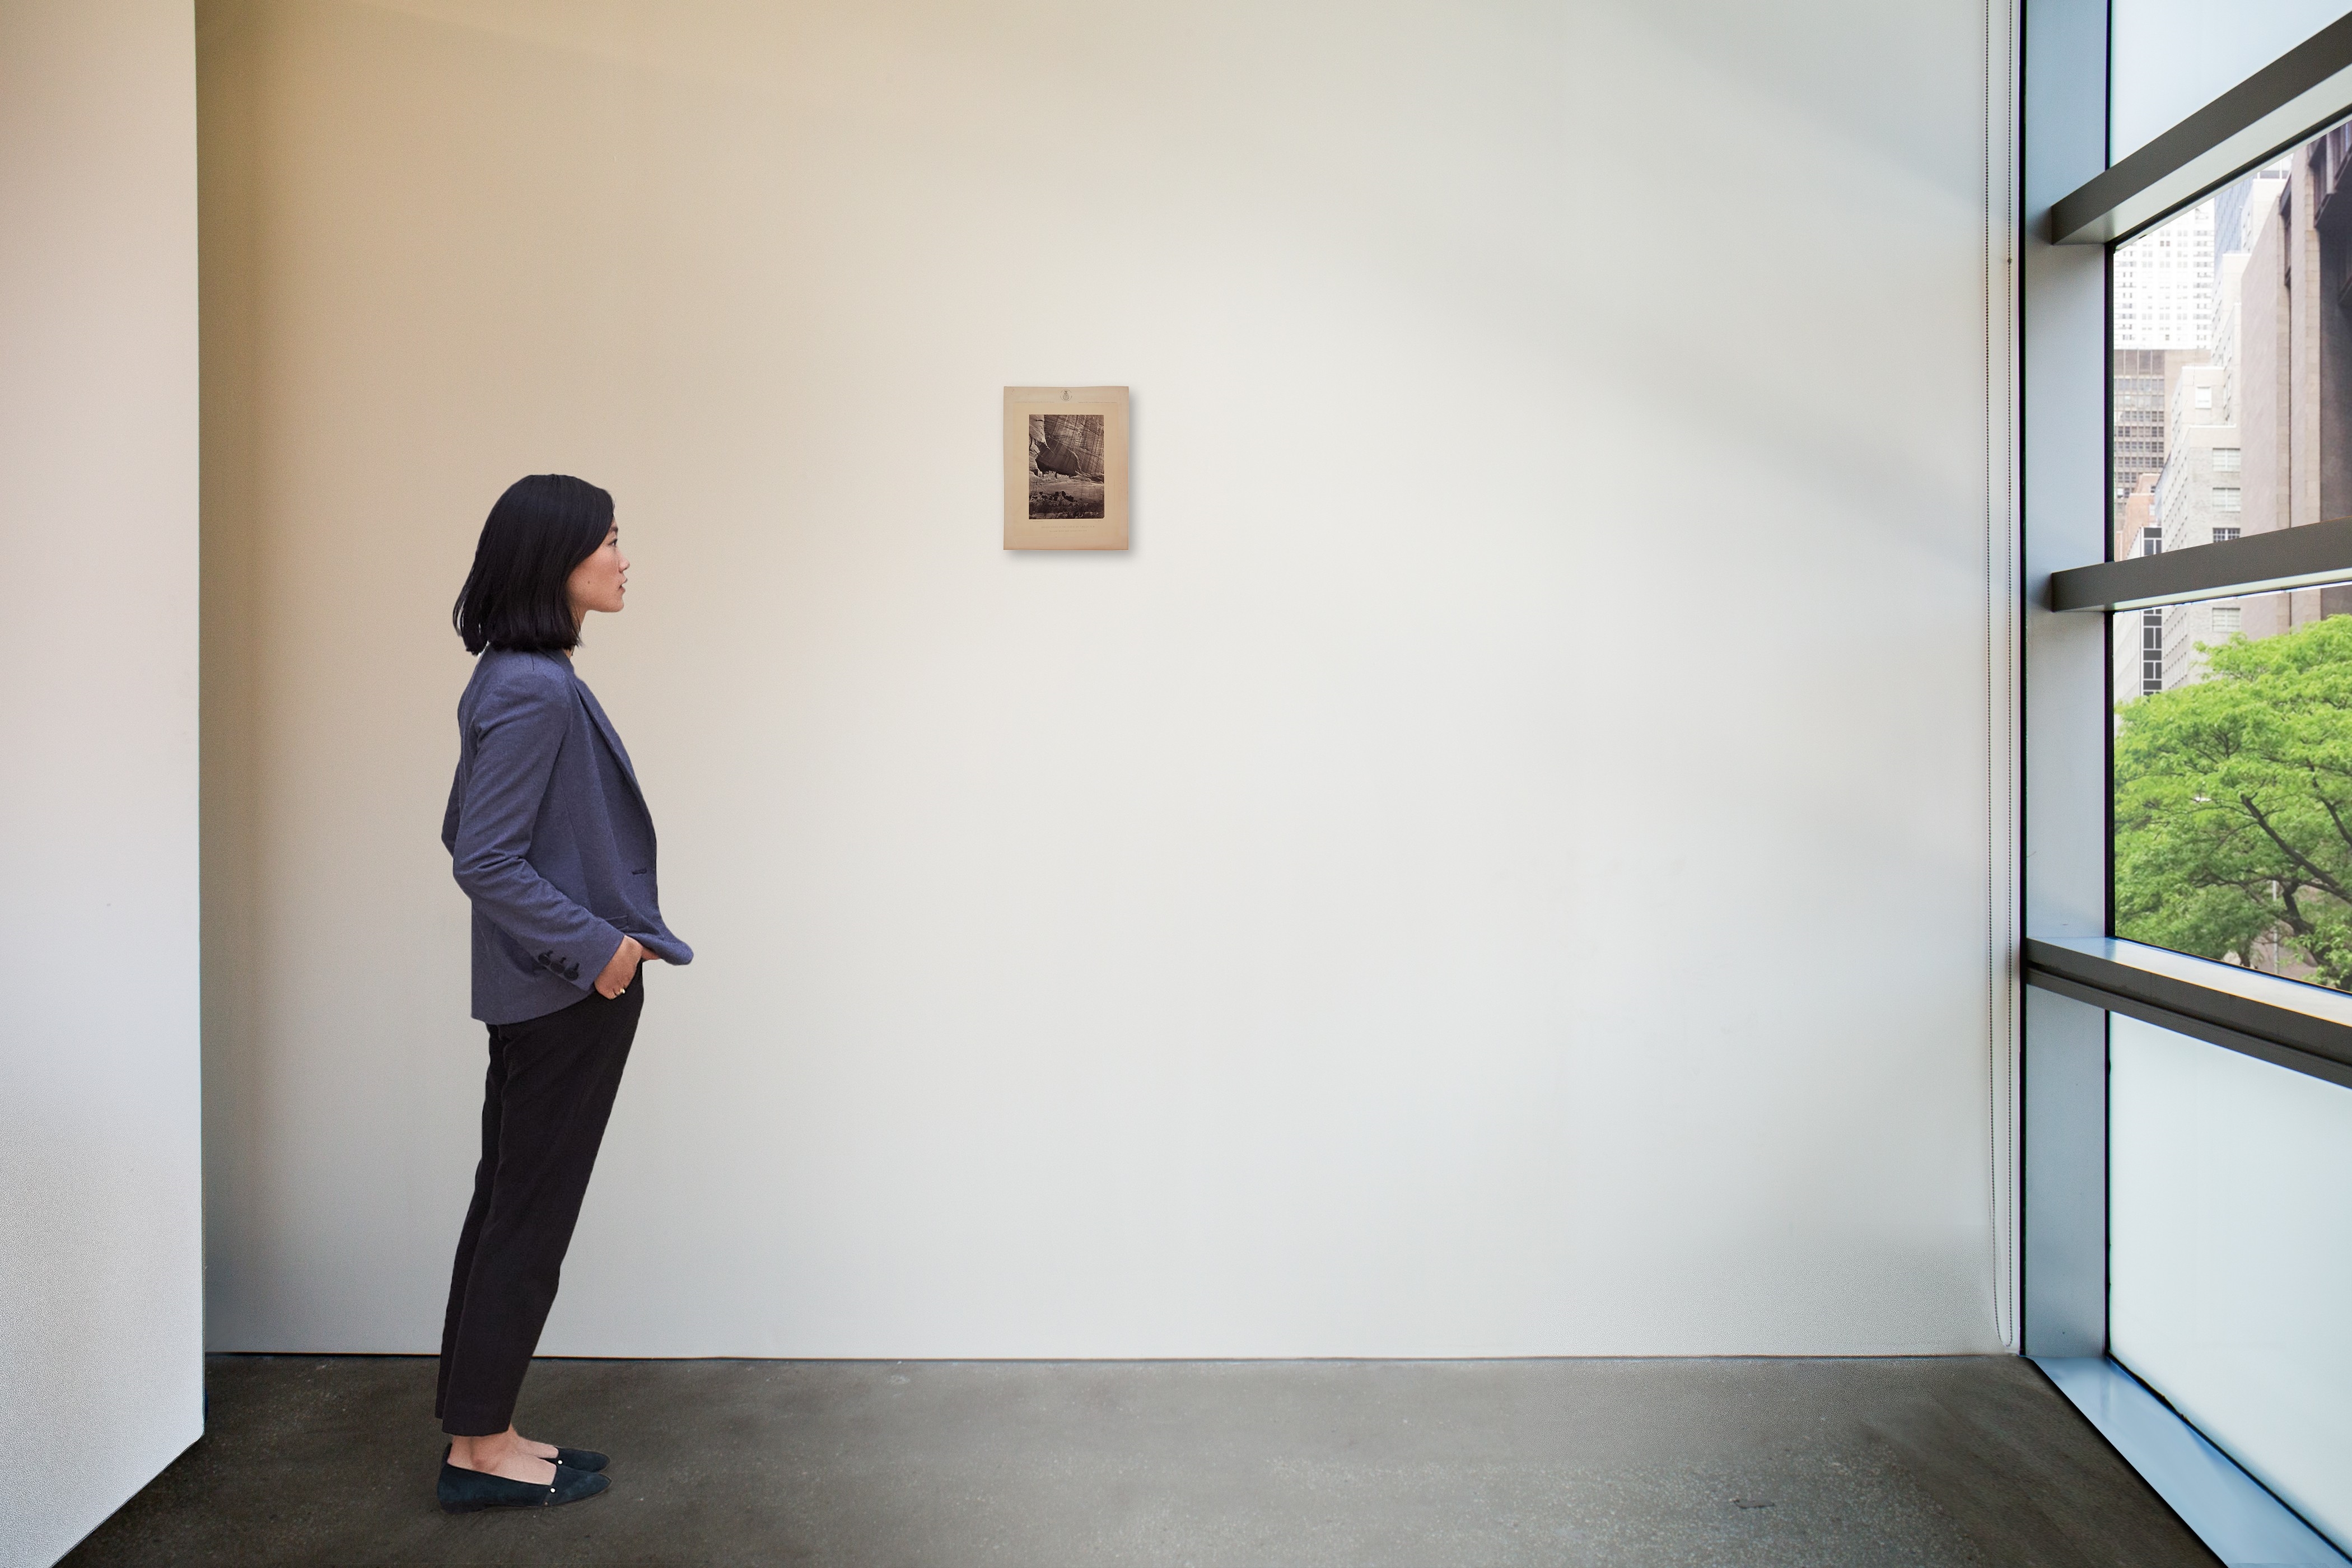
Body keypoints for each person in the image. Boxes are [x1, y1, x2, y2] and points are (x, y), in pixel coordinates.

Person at [433, 473, 693, 1513]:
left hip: (540, 993)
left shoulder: (514, 674)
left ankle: (480, 1434)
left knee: (507, 1210)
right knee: (527, 1221)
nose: (625, 559)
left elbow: (464, 834)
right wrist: (601, 952)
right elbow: (484, 858)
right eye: (611, 541)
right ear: (558, 561)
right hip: (563, 996)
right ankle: (481, 1451)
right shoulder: (534, 688)